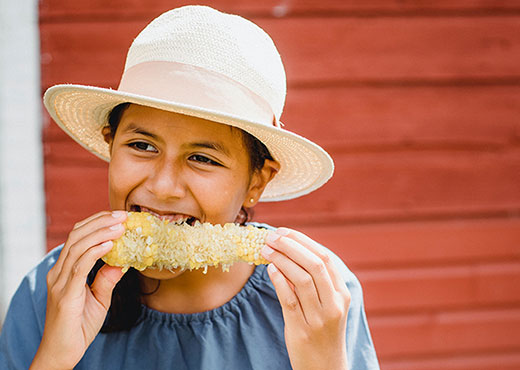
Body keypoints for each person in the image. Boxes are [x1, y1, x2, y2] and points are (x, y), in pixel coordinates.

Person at [0, 5, 379, 370]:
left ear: (256, 182)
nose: (163, 187)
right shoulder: (49, 291)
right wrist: (53, 359)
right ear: (110, 145)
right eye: (142, 146)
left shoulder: (320, 295)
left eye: (203, 158)